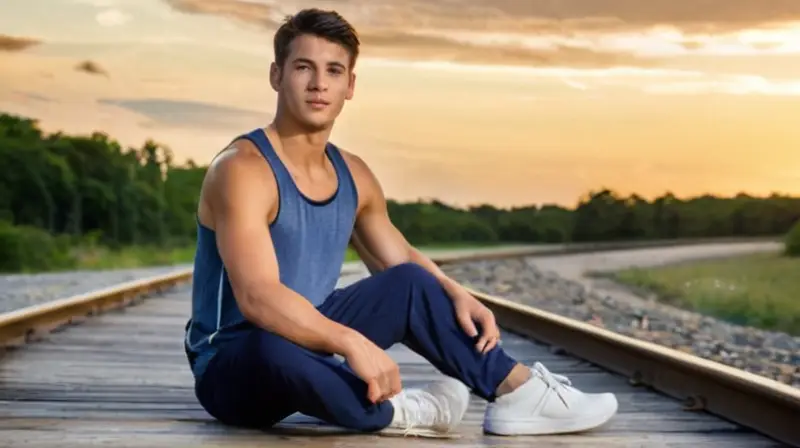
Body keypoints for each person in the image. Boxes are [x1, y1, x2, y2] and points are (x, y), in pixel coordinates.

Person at [183, 7, 618, 438]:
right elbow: (258, 298)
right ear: (277, 76)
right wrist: (351, 343)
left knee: (410, 281)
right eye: (304, 68)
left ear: (349, 85)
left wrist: (456, 293)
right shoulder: (243, 169)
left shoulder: (354, 174)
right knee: (267, 343)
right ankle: (409, 410)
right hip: (234, 364)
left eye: (334, 71)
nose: (319, 84)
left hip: (310, 340)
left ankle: (516, 392)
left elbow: (399, 261)